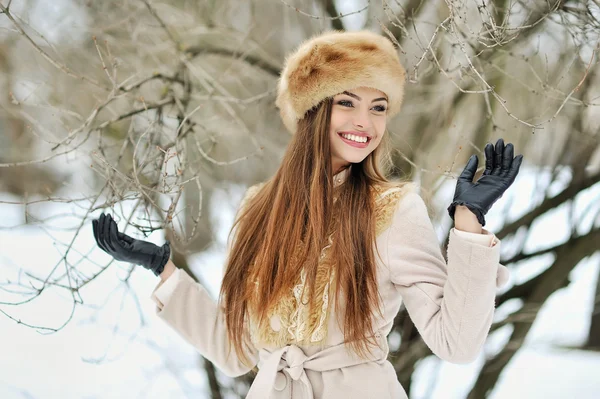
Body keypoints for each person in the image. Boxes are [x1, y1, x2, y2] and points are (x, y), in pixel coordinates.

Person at [92, 30, 522, 399]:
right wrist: (163, 271)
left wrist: (467, 221)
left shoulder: (392, 209)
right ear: (313, 110)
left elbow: (457, 343)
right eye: (348, 102)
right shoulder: (258, 209)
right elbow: (236, 349)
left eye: (378, 107)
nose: (365, 122)